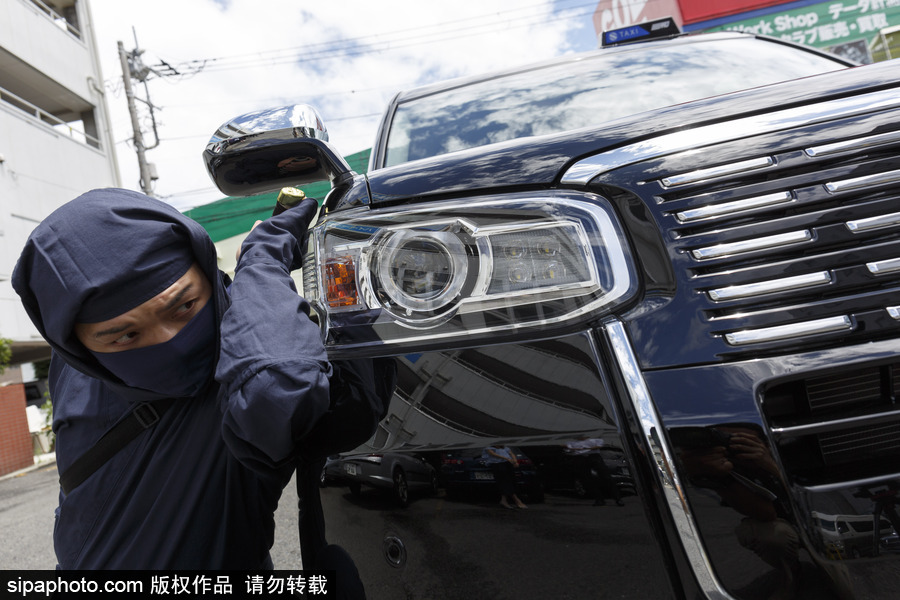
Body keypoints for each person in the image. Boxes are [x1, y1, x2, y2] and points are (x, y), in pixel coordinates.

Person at [11, 188, 393, 571]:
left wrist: (258, 270)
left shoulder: (240, 366)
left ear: (208, 274)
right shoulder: (73, 366)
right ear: (74, 346)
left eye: (183, 307)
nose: (170, 344)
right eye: (125, 336)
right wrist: (262, 262)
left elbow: (278, 388)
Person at [482, 445, 527, 509]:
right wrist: (506, 458)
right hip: (498, 465)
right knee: (505, 482)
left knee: (510, 481)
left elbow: (512, 454)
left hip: (507, 465)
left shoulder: (505, 448)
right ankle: (517, 501)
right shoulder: (489, 448)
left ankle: (504, 501)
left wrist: (515, 461)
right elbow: (493, 454)